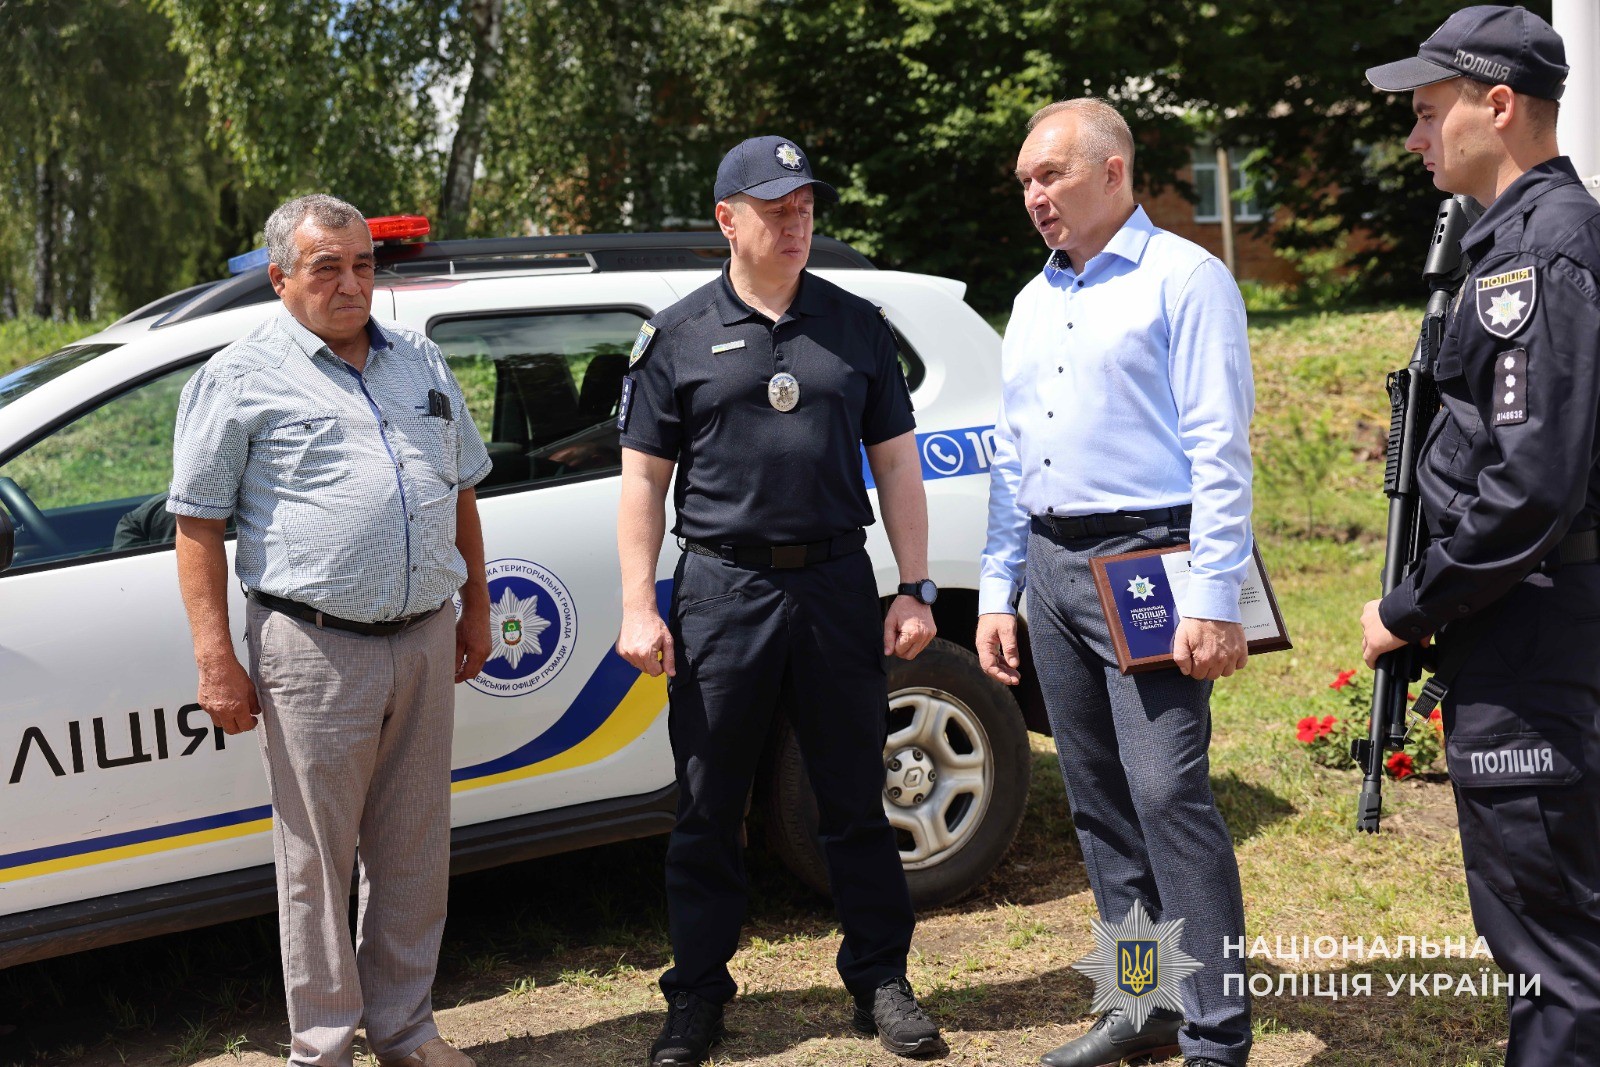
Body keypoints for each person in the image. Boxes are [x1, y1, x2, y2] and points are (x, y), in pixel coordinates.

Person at [615, 135, 944, 1066]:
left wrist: (914, 585)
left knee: (853, 793)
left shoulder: (856, 324)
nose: (796, 222)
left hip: (836, 581)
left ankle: (880, 978)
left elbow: (897, 466)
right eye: (775, 208)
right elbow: (642, 482)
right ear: (728, 219)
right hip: (723, 588)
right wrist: (639, 605)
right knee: (708, 801)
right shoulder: (678, 333)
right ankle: (696, 995)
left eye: (804, 206)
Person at [169, 194, 492, 1067]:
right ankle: (322, 1047)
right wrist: (216, 657)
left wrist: (476, 605)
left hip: (424, 633)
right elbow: (197, 525)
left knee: (413, 847)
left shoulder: (419, 359)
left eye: (362, 266)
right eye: (327, 268)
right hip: (313, 646)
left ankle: (407, 1029)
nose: (351, 284)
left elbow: (461, 486)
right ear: (280, 279)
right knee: (317, 859)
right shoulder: (238, 377)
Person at [976, 99, 1254, 1067]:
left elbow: (1220, 448)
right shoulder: (1030, 300)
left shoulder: (1186, 278)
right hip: (1051, 563)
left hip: (1148, 560)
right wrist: (998, 589)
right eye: (1024, 182)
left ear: (1111, 171)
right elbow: (1011, 456)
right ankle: (1143, 1004)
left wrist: (1213, 596)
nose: (1034, 196)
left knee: (1166, 790)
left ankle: (1216, 1032)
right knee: (1096, 798)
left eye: (1049, 175)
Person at [1360, 8, 1600, 1064]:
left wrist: (1409, 607)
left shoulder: (1534, 257)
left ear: (1497, 105)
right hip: (1526, 625)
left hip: (1528, 639)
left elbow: (1528, 485)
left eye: (1426, 113)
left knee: (1549, 943)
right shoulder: (1515, 243)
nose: (1413, 138)